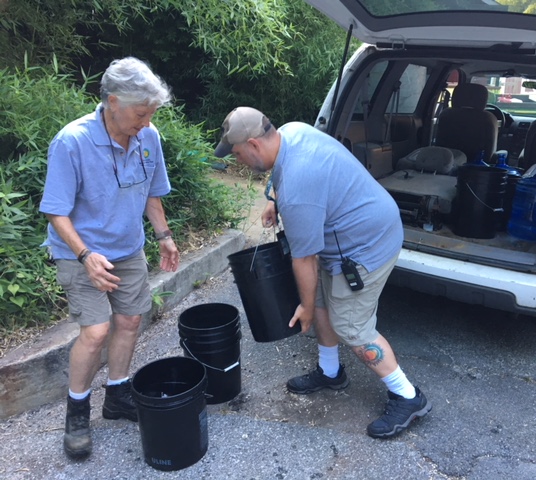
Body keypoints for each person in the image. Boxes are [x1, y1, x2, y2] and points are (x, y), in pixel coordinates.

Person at [214, 107, 432, 438]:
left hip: (367, 244)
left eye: (239, 153)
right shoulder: (290, 129)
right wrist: (272, 197)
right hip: (346, 235)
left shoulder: (299, 189)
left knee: (351, 325)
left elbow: (304, 260)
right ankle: (331, 372)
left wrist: (302, 305)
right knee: (319, 301)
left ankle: (408, 396)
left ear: (255, 144)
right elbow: (283, 175)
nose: (237, 160)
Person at [39, 57, 180, 459]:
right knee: (96, 331)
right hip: (79, 251)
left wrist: (164, 236)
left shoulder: (148, 136)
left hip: (127, 246)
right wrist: (85, 256)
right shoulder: (72, 141)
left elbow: (152, 192)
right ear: (112, 101)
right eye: (141, 112)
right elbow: (55, 209)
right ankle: (77, 412)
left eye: (151, 112)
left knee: (131, 320)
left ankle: (117, 395)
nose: (146, 120)